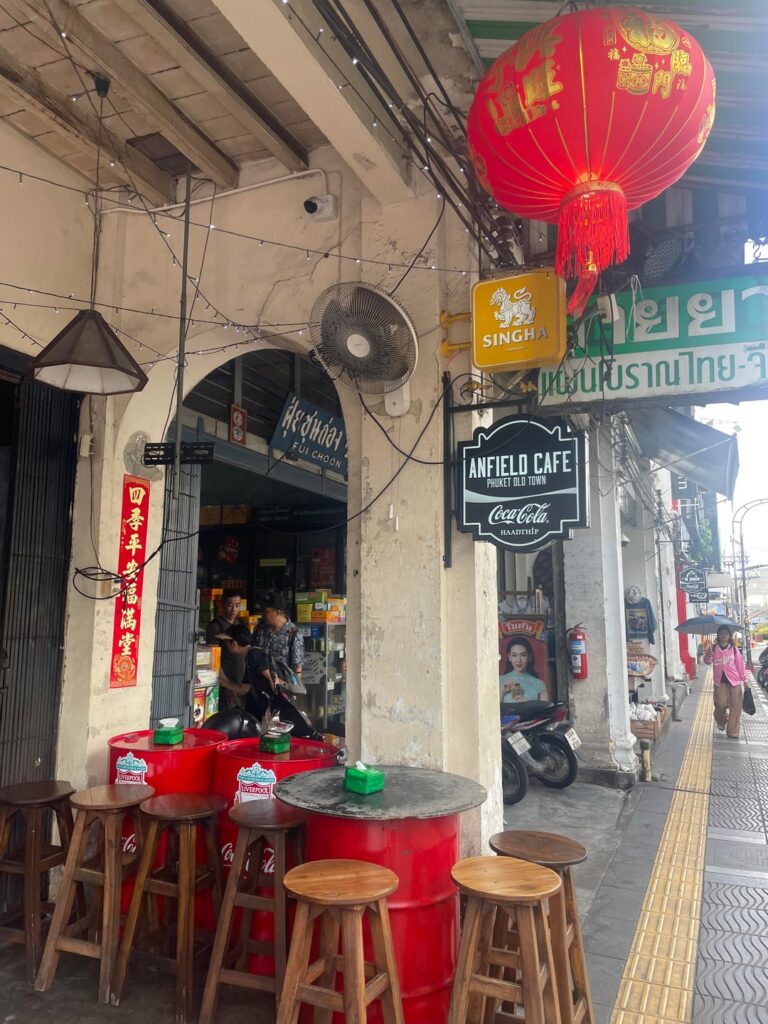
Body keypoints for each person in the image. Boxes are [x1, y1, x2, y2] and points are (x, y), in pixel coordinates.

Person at [704, 624, 749, 738]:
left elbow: (740, 666)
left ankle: (733, 731)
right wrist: (708, 655)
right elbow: (707, 662)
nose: (724, 635)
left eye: (726, 633)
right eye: (721, 633)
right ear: (718, 635)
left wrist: (745, 681)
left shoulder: (734, 650)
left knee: (736, 707)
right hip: (720, 683)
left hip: (735, 682)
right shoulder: (713, 649)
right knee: (720, 704)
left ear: (729, 636)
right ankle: (721, 720)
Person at [253, 594, 304, 686]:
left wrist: (295, 688)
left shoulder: (293, 633)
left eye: (266, 612)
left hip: (282, 685)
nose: (263, 615)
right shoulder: (260, 628)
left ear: (277, 612)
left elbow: (297, 666)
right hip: (259, 683)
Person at [499, 636, 548, 703]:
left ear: (529, 657)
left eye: (523, 655)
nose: (518, 660)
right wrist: (501, 692)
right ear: (509, 657)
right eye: (514, 655)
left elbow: (545, 709)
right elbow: (490, 708)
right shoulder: (499, 680)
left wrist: (527, 703)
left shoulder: (539, 684)